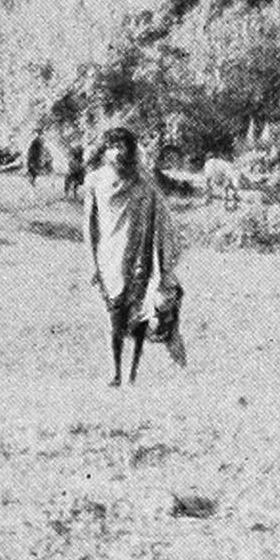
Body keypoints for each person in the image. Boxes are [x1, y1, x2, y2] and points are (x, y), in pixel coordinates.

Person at [84, 126, 187, 386]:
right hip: (109, 258)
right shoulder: (95, 180)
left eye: (123, 146)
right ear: (105, 151)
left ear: (131, 150)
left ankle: (132, 373)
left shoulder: (143, 183)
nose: (118, 152)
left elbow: (159, 220)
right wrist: (92, 263)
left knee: (139, 315)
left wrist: (159, 260)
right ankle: (115, 371)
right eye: (113, 146)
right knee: (115, 315)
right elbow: (89, 226)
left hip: (139, 257)